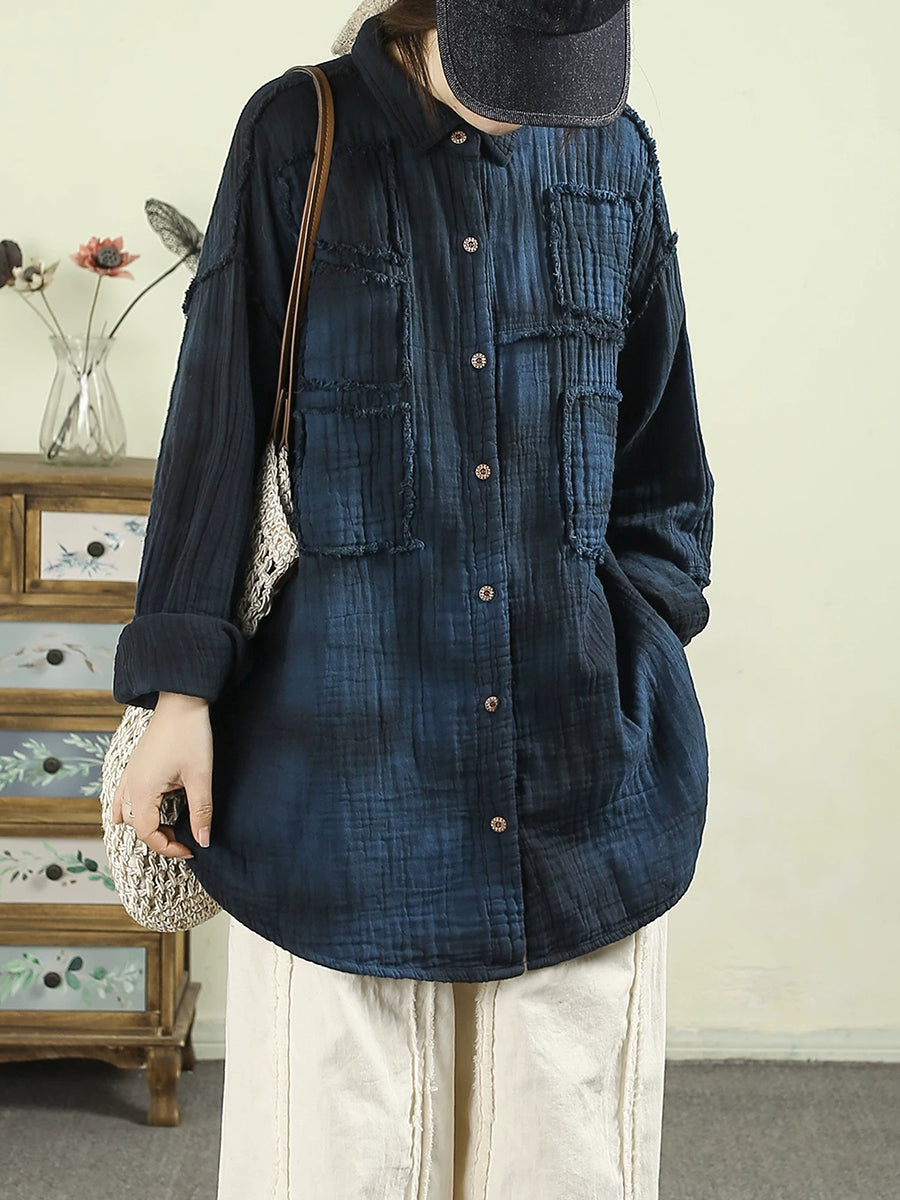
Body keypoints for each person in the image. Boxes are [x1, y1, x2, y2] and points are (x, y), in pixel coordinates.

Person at [111, 1, 714, 1195]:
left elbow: (660, 447)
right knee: (339, 1159)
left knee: (563, 1160)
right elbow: (216, 421)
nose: (534, 102)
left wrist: (644, 637)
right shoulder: (297, 135)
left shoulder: (616, 151)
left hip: (574, 769)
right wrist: (179, 693)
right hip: (342, 775)